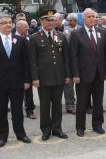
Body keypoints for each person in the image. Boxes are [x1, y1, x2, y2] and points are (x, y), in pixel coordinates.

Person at [0, 13, 32, 148]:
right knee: (0, 111)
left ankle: (20, 134)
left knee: (17, 110)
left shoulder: (20, 40)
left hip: (17, 82)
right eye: (4, 23)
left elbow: (25, 62)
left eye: (10, 22)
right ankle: (1, 136)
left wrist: (27, 80)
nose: (8, 25)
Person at [28, 9, 70, 141]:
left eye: (53, 20)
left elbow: (66, 58)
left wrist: (67, 75)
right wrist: (34, 78)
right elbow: (32, 60)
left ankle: (57, 129)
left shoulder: (61, 36)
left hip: (59, 77)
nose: (51, 22)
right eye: (47, 20)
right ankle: (46, 130)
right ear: (41, 21)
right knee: (45, 106)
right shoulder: (35, 37)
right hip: (43, 78)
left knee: (57, 104)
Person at [70, 8, 106, 137]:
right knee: (82, 102)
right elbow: (73, 56)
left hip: (99, 73)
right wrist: (75, 74)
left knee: (98, 101)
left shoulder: (102, 32)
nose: (92, 19)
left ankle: (98, 124)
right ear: (83, 19)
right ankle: (80, 127)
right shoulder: (76, 33)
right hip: (83, 74)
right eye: (89, 16)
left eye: (94, 16)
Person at [15, 20, 36, 119]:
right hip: (16, 69)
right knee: (16, 92)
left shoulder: (30, 38)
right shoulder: (12, 37)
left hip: (27, 68)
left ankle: (30, 110)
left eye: (27, 26)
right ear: (18, 28)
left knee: (28, 91)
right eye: (25, 27)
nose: (28, 28)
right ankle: (17, 112)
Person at [62, 12, 79, 115]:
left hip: (80, 61)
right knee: (69, 86)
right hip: (69, 61)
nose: (69, 22)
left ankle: (84, 104)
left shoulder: (81, 28)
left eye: (70, 20)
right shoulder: (65, 31)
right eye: (68, 20)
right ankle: (70, 105)